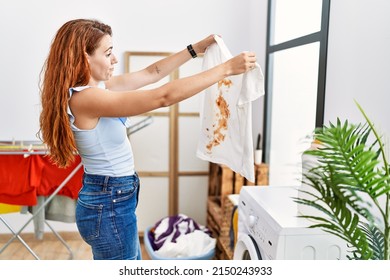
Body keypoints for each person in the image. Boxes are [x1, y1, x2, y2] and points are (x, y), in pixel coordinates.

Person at [38, 18, 257, 260]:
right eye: (108, 53)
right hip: (108, 201)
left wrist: (194, 49)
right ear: (84, 56)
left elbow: (152, 73)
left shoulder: (102, 88)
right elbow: (161, 97)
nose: (114, 60)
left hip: (113, 196)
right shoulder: (85, 100)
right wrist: (226, 69)